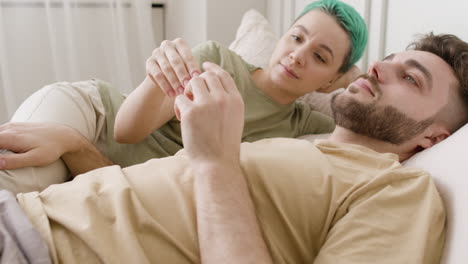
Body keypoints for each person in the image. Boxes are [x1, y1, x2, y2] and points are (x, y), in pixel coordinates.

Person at [2, 32, 468, 263]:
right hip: (29, 211)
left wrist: (214, 160)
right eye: (387, 62)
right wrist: (75, 144)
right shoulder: (302, 147)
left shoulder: (398, 192)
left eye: (410, 78)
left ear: (433, 138)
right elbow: (153, 208)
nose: (379, 71)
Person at [0, 0, 368, 195]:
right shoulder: (217, 60)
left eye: (320, 57)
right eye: (297, 37)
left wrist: (352, 79)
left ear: (331, 80)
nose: (298, 55)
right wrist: (157, 78)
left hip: (97, 167)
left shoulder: (305, 128)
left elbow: (368, 139)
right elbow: (126, 131)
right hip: (92, 116)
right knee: (14, 182)